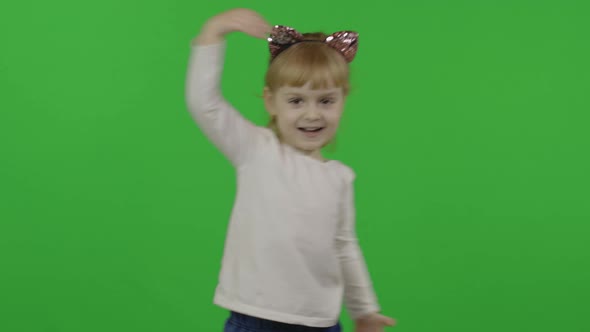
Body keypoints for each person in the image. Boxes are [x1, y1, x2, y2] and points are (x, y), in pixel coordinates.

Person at [185, 8, 397, 332]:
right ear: (271, 102)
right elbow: (204, 103)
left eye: (326, 101)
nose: (312, 114)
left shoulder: (339, 177)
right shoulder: (255, 150)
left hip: (320, 322)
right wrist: (214, 32)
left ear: (343, 101)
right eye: (296, 101)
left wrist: (364, 311)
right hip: (255, 318)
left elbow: (344, 246)